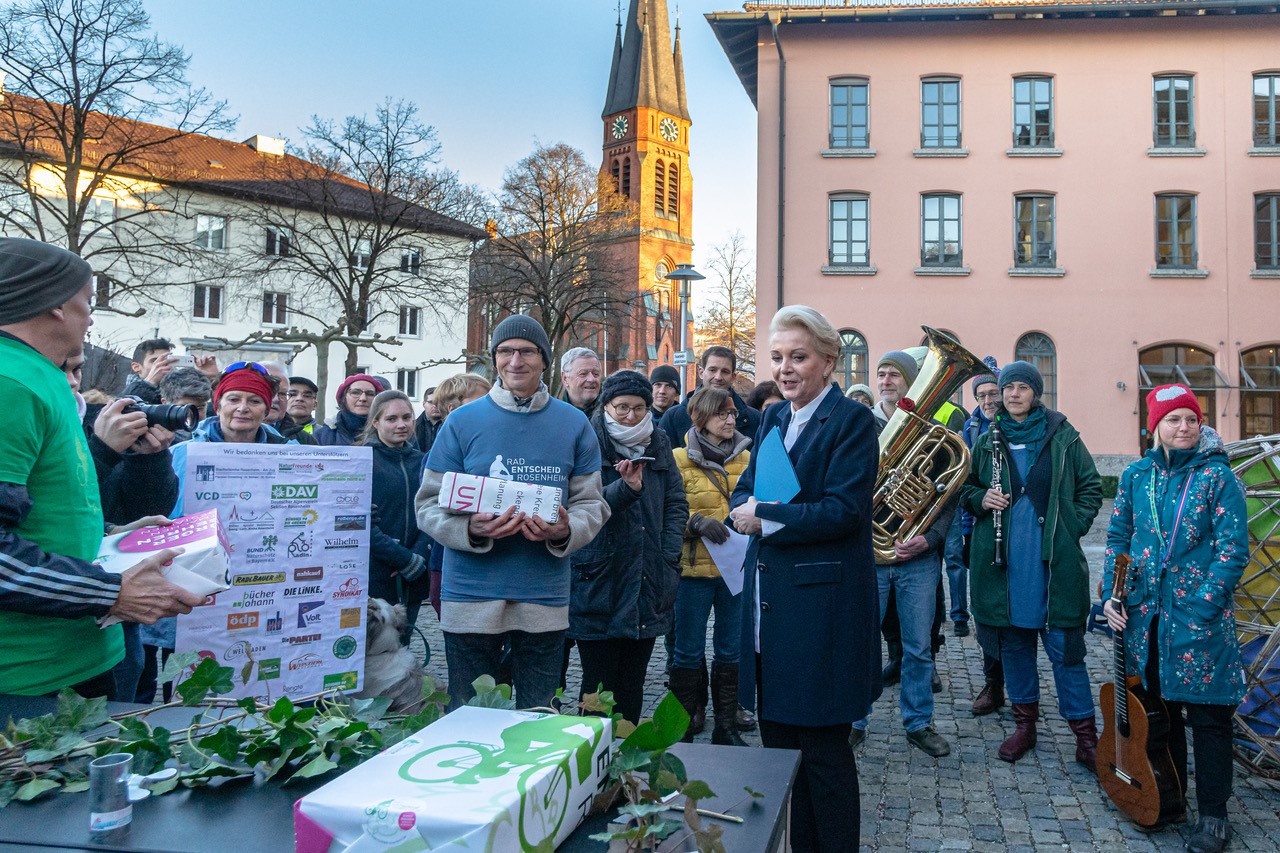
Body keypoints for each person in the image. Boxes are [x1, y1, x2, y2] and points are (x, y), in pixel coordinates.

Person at [0, 237, 200, 698]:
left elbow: (42, 510)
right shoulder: (9, 383)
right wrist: (110, 592)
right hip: (26, 677)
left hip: (73, 657)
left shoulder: (38, 376)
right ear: (55, 304)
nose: (91, 316)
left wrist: (114, 536)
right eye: (89, 301)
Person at [729, 305, 879, 852]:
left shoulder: (852, 421)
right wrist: (747, 506)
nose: (786, 368)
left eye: (799, 356)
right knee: (780, 751)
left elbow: (843, 511)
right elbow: (744, 488)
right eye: (777, 357)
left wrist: (765, 518)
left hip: (822, 613)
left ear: (828, 361)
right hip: (771, 605)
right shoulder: (771, 418)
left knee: (823, 756)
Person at [416, 315, 609, 710]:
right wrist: (468, 528)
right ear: (494, 359)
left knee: (538, 714)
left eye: (526, 351)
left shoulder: (574, 424)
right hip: (470, 594)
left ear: (544, 361)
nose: (515, 361)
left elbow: (592, 503)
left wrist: (564, 531)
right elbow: (428, 503)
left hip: (543, 594)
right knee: (469, 714)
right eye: (505, 351)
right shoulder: (461, 422)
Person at [1103, 384, 1248, 853]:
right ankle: (1172, 795)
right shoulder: (1135, 476)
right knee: (1161, 716)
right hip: (1145, 620)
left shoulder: (1217, 478)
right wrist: (1112, 596)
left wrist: (1204, 605)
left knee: (1209, 719)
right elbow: (1118, 537)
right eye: (1173, 420)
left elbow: (1232, 550)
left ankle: (1214, 816)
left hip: (1199, 623)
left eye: (1190, 418)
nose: (1183, 427)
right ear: (1156, 427)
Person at [960, 361, 1102, 769]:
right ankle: (1025, 725)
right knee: (1017, 647)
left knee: (1066, 653)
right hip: (1005, 567)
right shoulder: (987, 441)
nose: (1013, 394)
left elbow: (1091, 487)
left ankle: (1085, 737)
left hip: (1052, 567)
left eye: (1023, 387)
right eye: (1008, 388)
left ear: (1035, 394)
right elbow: (965, 486)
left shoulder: (1063, 436)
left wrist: (1071, 525)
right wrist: (980, 498)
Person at [851, 350, 957, 759]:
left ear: (913, 382)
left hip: (918, 557)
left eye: (895, 374)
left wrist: (928, 539)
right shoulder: (860, 425)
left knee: (917, 646)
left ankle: (918, 722)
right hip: (869, 554)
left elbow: (948, 495)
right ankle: (855, 720)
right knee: (861, 641)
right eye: (881, 373)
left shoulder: (934, 431)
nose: (886, 379)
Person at [568, 371, 687, 724]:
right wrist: (625, 489)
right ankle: (590, 762)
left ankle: (626, 768)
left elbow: (676, 502)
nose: (631, 416)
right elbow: (579, 506)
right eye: (622, 408)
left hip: (649, 577)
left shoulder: (659, 441)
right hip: (598, 576)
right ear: (606, 406)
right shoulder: (587, 441)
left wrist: (668, 554)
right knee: (597, 685)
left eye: (638, 408)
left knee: (633, 682)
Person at [671, 386, 752, 745]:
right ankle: (684, 723)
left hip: (734, 571)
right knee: (687, 650)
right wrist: (695, 523)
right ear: (700, 418)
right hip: (692, 573)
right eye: (722, 414)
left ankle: (726, 726)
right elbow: (668, 511)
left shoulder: (747, 459)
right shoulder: (677, 459)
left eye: (733, 413)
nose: (730, 419)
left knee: (730, 649)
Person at [361, 390, 432, 642]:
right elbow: (361, 522)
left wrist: (419, 556)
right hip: (375, 573)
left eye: (407, 417)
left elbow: (430, 511)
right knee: (374, 647)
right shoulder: (361, 461)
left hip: (413, 573)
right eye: (391, 419)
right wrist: (400, 558)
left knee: (402, 645)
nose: (401, 425)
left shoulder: (423, 461)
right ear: (375, 422)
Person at [963, 360, 1007, 717]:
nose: (989, 400)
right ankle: (994, 682)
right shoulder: (971, 427)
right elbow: (963, 484)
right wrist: (977, 502)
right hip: (981, 529)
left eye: (994, 393)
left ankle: (1023, 688)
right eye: (982, 395)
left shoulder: (1020, 426)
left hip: (1020, 532)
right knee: (987, 611)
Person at [659, 346, 761, 449]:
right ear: (701, 372)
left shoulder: (754, 419)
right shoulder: (674, 417)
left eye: (725, 371)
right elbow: (663, 461)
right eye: (712, 370)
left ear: (733, 377)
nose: (718, 377)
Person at [313, 374, 381, 446]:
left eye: (370, 394)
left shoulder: (389, 433)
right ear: (343, 398)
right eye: (355, 392)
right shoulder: (322, 436)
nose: (363, 398)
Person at [123, 338, 175, 404]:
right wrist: (150, 382)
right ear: (136, 367)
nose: (161, 364)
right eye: (154, 361)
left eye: (166, 360)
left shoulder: (175, 390)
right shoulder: (129, 392)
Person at [561, 347, 602, 417]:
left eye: (595, 374)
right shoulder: (553, 415)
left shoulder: (614, 415)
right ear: (565, 379)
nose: (591, 379)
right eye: (583, 374)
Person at [414, 386, 441, 453]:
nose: (435, 405)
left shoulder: (450, 426)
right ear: (424, 404)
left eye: (438, 402)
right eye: (431, 402)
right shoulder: (413, 427)